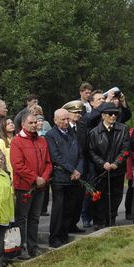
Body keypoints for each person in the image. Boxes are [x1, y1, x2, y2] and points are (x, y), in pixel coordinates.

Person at [10, 110, 52, 258]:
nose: (34, 125)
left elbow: (48, 162)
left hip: (40, 186)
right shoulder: (17, 141)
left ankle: (33, 247)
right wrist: (35, 178)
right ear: (23, 124)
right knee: (22, 218)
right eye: (31, 123)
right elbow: (18, 165)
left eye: (35, 122)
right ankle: (21, 248)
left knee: (35, 218)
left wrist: (44, 178)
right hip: (24, 187)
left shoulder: (42, 140)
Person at [86, 103, 129, 227]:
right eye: (110, 114)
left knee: (116, 196)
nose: (113, 116)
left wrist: (116, 163)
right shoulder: (94, 132)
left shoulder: (123, 129)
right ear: (103, 115)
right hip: (101, 171)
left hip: (117, 170)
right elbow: (91, 151)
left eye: (116, 113)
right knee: (100, 197)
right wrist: (102, 163)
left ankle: (111, 220)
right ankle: (99, 222)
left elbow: (125, 149)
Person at [46, 106, 83, 247]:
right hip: (60, 178)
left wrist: (78, 170)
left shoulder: (72, 132)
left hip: (74, 178)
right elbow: (56, 156)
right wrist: (72, 170)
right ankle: (54, 236)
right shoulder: (51, 135)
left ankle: (64, 234)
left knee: (69, 208)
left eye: (68, 118)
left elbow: (80, 154)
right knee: (58, 209)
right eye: (63, 119)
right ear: (55, 120)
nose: (66, 122)